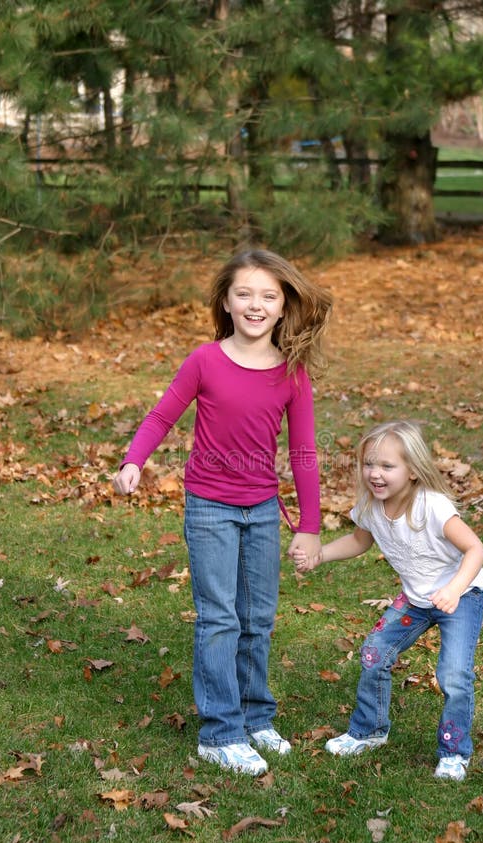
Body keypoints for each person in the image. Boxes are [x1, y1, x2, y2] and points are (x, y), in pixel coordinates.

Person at [113, 248, 333, 776]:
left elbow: (303, 452)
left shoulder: (292, 373)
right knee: (219, 617)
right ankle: (220, 732)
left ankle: (256, 717)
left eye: (268, 296)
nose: (255, 305)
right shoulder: (204, 361)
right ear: (227, 303)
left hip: (260, 509)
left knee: (258, 618)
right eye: (244, 294)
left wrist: (309, 526)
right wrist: (133, 462)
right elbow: (162, 414)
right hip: (210, 507)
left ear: (283, 307)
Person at [294, 420, 483, 781]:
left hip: (461, 595)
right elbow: (359, 542)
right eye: (369, 464)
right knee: (374, 653)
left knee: (453, 675)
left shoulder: (434, 507)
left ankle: (454, 752)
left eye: (387, 466)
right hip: (416, 598)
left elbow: (475, 548)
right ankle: (369, 730)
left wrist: (454, 588)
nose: (375, 474)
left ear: (413, 470)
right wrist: (320, 555)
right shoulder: (371, 506)